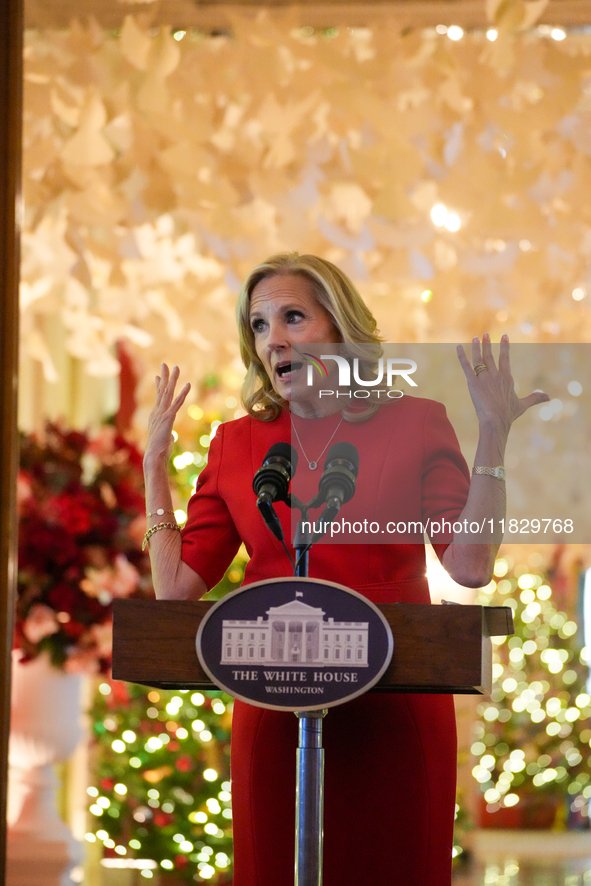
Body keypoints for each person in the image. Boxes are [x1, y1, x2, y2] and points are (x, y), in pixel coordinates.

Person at [143, 253, 548, 886]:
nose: (272, 338)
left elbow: (469, 568)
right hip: (271, 701)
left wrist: (492, 436)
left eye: (293, 317)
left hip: (396, 698)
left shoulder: (415, 422)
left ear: (341, 329)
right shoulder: (236, 443)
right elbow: (175, 589)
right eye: (258, 325)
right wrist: (153, 471)